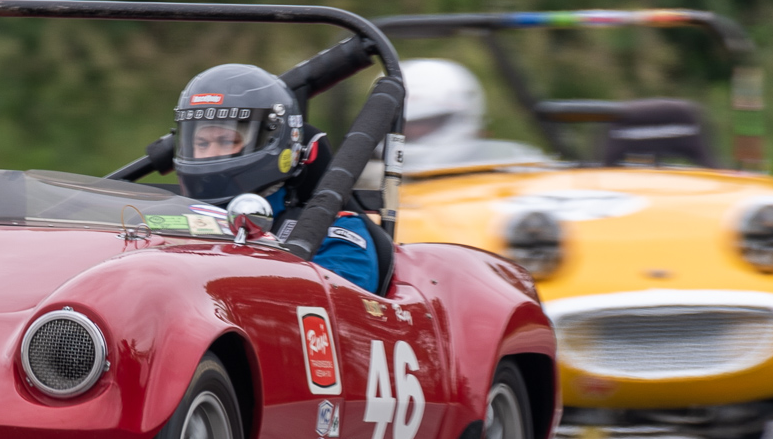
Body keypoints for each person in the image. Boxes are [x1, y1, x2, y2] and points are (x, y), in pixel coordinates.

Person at [171, 63, 385, 293]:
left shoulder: (336, 232)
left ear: (274, 141)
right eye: (202, 144)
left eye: (226, 141)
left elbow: (339, 304)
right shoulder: (165, 220)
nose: (210, 154)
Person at [396, 58, 549, 172]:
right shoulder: (375, 180)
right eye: (402, 124)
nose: (412, 131)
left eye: (427, 122)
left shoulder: (517, 166)